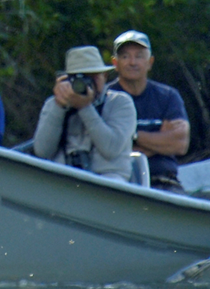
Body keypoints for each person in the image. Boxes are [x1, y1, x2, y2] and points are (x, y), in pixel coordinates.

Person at [33, 45, 136, 178]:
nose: (87, 84)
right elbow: (42, 151)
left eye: (93, 77)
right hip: (62, 178)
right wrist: (58, 107)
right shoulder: (54, 104)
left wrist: (85, 108)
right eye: (80, 78)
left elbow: (111, 149)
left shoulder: (120, 102)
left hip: (107, 178)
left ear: (104, 76)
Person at [107, 30, 190, 191]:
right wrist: (158, 141)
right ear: (115, 63)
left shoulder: (168, 96)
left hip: (164, 181)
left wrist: (133, 137)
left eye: (139, 56)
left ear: (150, 62)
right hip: (118, 181)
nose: (132, 62)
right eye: (125, 56)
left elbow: (180, 144)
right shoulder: (105, 97)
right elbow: (105, 147)